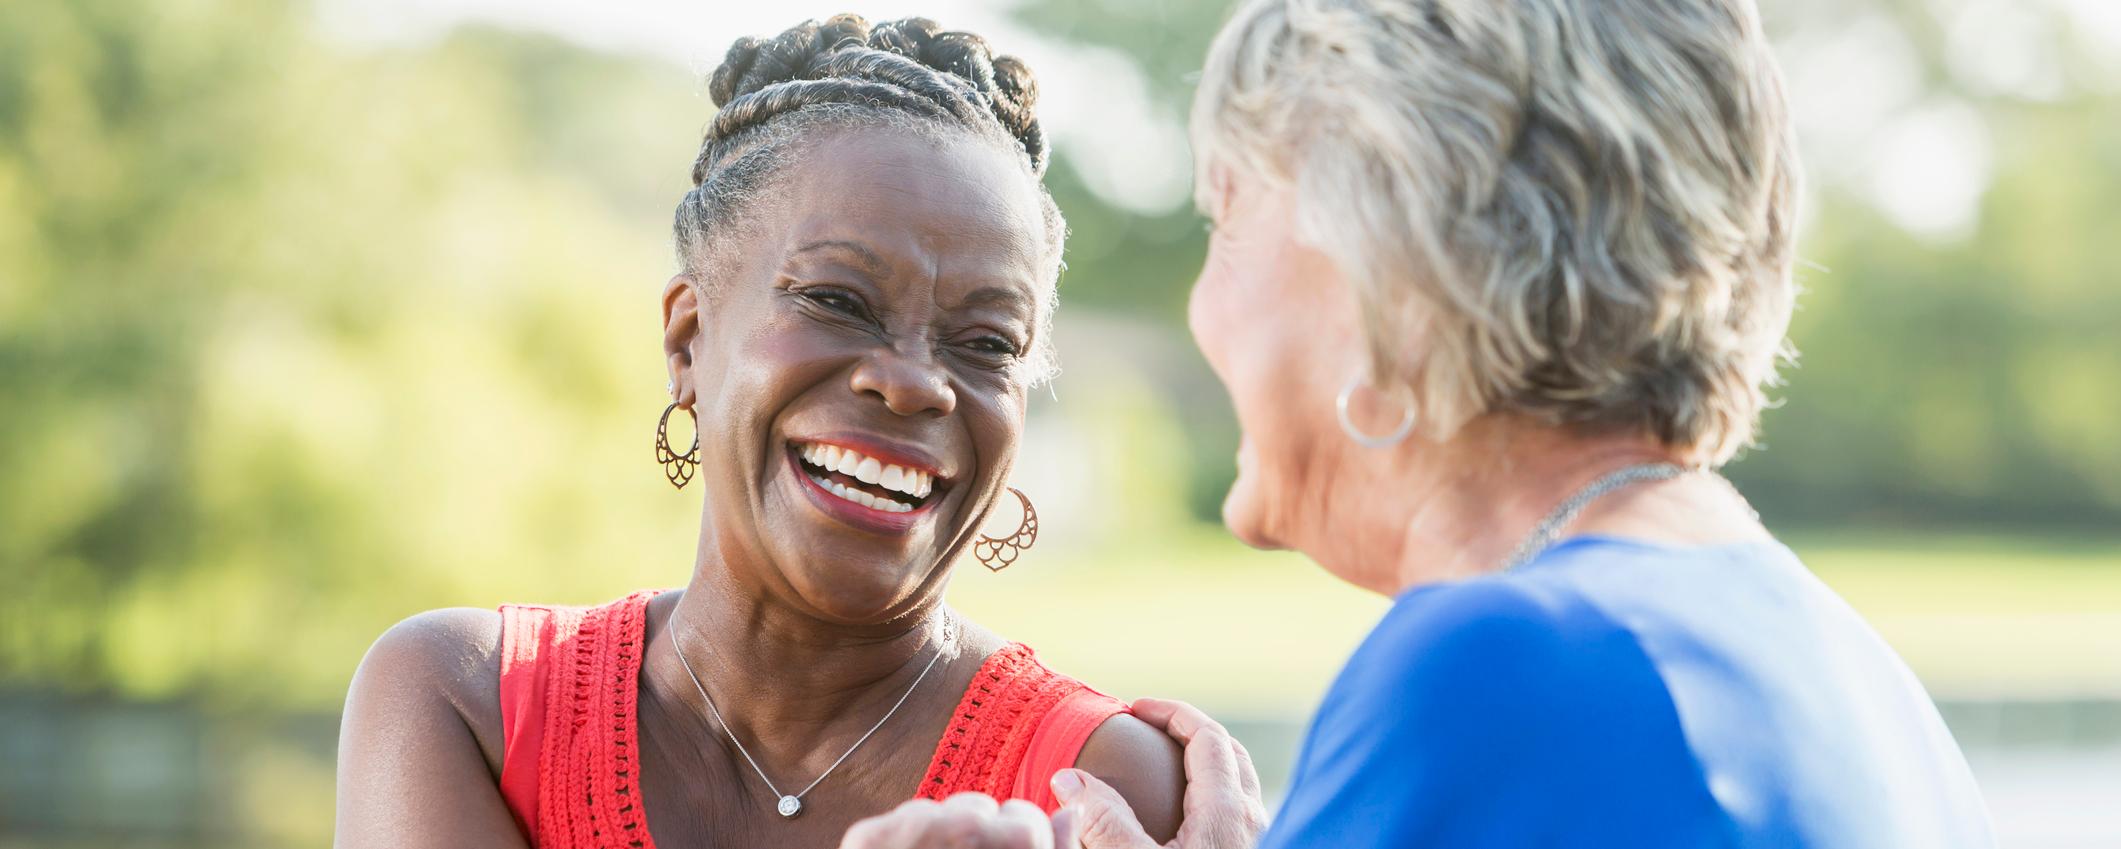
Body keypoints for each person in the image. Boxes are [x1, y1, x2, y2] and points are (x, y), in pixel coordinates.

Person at [839, 0, 1997, 846]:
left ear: (1380, 276)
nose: (1204, 307)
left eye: (1226, 222)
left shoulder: (1505, 667)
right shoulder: (1834, 656)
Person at [331, 15, 1186, 849]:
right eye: (836, 300)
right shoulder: (468, 703)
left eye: (988, 343)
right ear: (686, 339)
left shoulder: (1102, 788)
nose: (914, 382)